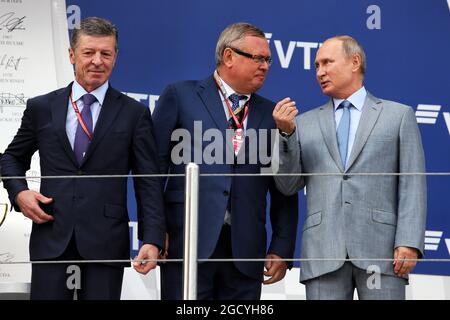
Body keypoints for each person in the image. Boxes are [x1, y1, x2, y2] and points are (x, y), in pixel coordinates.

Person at [0, 17, 165, 300]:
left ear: (115, 56)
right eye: (89, 53)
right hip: (51, 237)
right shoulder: (41, 107)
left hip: (106, 242)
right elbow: (11, 158)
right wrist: (20, 194)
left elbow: (147, 180)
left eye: (106, 53)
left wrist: (151, 238)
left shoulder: (134, 114)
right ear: (72, 54)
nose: (97, 61)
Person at [272, 35, 426, 300]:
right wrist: (285, 136)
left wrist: (409, 242)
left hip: (382, 252)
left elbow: (413, 184)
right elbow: (287, 185)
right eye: (317, 66)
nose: (320, 72)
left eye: (327, 63)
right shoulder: (303, 123)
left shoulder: (399, 116)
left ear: (355, 62)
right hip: (323, 253)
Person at [153, 22, 298, 300]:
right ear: (229, 56)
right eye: (257, 58)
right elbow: (154, 171)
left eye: (268, 59)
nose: (265, 66)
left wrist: (281, 246)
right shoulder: (180, 95)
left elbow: (284, 187)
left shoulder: (274, 114)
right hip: (187, 244)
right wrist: (155, 233)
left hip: (245, 252)